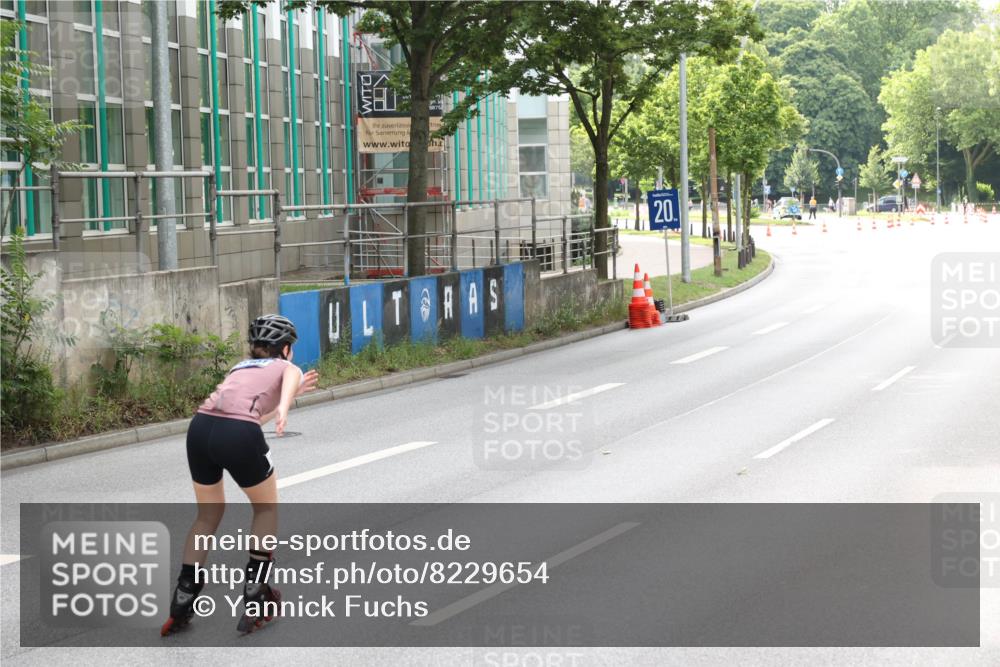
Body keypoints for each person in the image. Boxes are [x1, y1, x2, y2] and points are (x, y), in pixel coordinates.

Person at [162, 314, 319, 636]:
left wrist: (281, 407)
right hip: (237, 433)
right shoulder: (287, 366)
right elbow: (288, 379)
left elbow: (246, 415)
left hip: (200, 429)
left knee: (207, 515)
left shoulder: (239, 368)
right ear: (286, 348)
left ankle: (184, 594)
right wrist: (288, 406)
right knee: (265, 508)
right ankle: (256, 591)